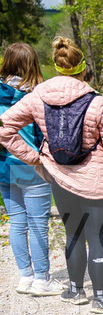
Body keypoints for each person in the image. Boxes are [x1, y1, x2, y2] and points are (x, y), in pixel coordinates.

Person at [0, 36, 103, 313]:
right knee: (97, 238)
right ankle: (100, 298)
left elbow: (5, 128)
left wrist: (36, 158)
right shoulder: (98, 103)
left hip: (59, 177)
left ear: (57, 66)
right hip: (96, 180)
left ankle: (75, 291)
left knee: (73, 234)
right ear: (83, 68)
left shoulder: (37, 96)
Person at [0, 43, 62, 296]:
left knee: (17, 222)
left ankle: (25, 277)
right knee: (38, 224)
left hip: (4, 164)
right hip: (31, 163)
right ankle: (42, 279)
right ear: (33, 63)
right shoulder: (37, 94)